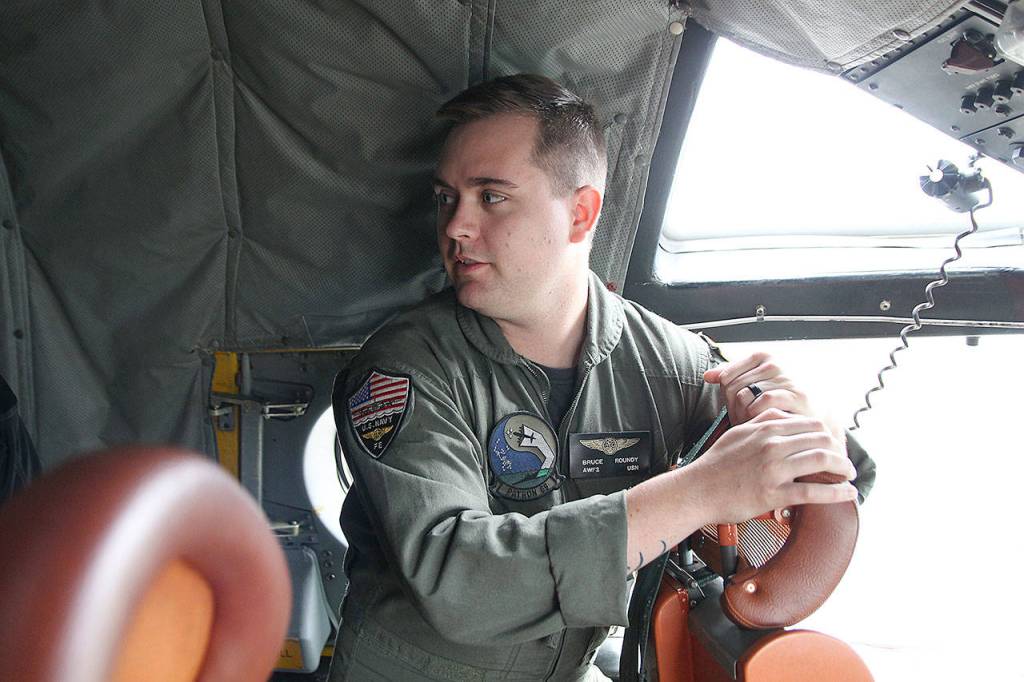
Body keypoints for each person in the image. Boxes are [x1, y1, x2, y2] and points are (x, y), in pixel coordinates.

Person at [329, 74, 875, 681]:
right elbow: (460, 582)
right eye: (446, 199)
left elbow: (837, 486)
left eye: (491, 197)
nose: (456, 227)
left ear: (580, 213)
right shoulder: (404, 369)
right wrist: (700, 490)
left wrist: (795, 424)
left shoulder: (672, 363)